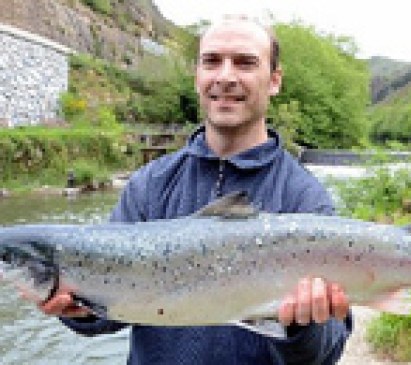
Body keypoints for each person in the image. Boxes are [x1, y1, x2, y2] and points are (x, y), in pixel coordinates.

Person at [36, 15, 353, 364]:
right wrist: (77, 308)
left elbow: (327, 352)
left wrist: (303, 327)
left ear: (274, 80)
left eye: (245, 63)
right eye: (212, 61)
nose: (226, 76)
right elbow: (108, 318)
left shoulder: (305, 197)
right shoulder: (148, 185)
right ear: (197, 76)